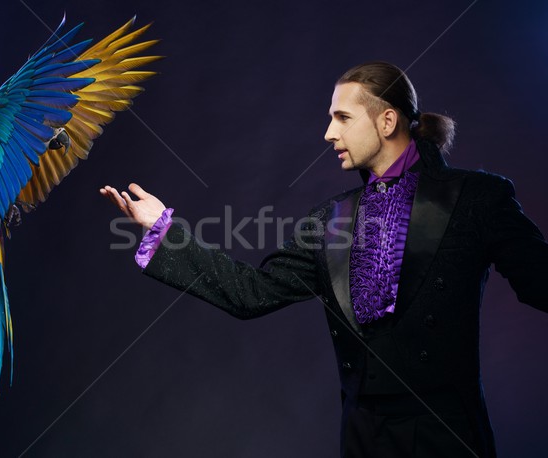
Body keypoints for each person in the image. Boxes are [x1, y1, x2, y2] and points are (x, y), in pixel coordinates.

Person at [100, 62, 548, 458]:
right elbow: (250, 293)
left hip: (447, 438)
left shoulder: (478, 198)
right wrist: (163, 229)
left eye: (342, 117)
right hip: (363, 440)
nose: (329, 133)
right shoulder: (329, 220)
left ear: (387, 120)